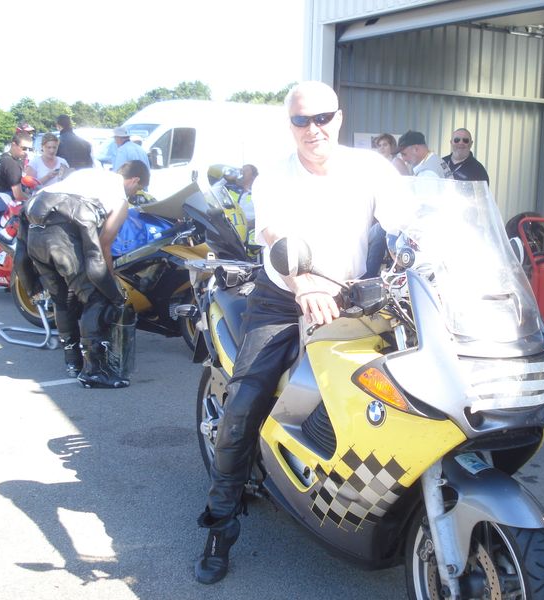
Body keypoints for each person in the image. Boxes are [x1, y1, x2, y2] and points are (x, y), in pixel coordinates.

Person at [195, 81, 401, 585]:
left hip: (356, 294)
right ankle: (220, 522)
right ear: (290, 125)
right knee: (245, 400)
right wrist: (303, 283)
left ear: (339, 117)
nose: (314, 129)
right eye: (302, 120)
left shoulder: (372, 168)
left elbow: (409, 222)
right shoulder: (275, 177)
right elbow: (275, 234)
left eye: (322, 117)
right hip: (284, 297)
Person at [24, 161, 150, 389]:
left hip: (35, 232)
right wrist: (110, 284)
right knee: (96, 297)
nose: (133, 195)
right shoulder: (119, 197)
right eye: (137, 190)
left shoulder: (89, 175)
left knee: (62, 299)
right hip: (63, 238)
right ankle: (94, 372)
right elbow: (103, 245)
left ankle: (73, 362)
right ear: (134, 180)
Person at [0, 132, 33, 214]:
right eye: (24, 148)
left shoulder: (0, 157)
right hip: (6, 209)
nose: (27, 152)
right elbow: (18, 195)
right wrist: (33, 199)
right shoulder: (11, 164)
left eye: (30, 149)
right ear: (14, 145)